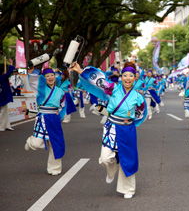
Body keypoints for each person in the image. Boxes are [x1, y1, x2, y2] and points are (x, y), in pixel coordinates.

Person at [71, 61, 147, 199]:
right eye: (125, 75)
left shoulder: (138, 97)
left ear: (135, 78)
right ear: (121, 77)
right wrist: (80, 71)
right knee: (106, 158)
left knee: (128, 159)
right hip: (112, 126)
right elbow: (97, 81)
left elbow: (141, 113)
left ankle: (128, 189)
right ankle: (111, 170)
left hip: (127, 129)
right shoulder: (113, 88)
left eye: (131, 76)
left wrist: (130, 121)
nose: (128, 78)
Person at [25, 68, 66, 175]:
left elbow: (63, 105)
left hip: (54, 119)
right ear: (44, 78)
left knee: (55, 144)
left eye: (52, 75)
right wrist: (30, 72)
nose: (50, 77)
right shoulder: (41, 88)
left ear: (55, 76)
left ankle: (54, 169)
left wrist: (60, 116)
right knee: (37, 143)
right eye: (47, 76)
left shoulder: (60, 91)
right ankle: (30, 141)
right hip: (42, 117)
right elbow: (32, 80)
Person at [0, 58, 15, 131]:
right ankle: (1, 126)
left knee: (4, 111)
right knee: (3, 112)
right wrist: (11, 64)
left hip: (2, 95)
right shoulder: (3, 77)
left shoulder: (3, 77)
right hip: (3, 96)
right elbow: (11, 71)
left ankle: (7, 125)